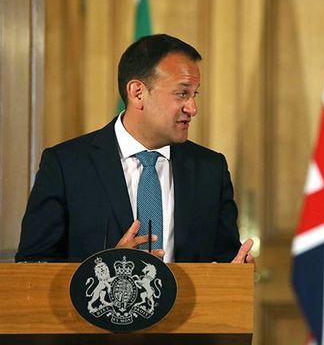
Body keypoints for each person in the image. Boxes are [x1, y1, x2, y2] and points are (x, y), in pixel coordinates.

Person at [15, 34, 254, 264]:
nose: (192, 108)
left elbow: (225, 259)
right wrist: (106, 267)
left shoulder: (210, 169)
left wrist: (236, 272)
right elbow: (33, 265)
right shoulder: (66, 165)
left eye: (194, 94)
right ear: (137, 92)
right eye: (182, 94)